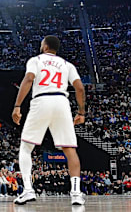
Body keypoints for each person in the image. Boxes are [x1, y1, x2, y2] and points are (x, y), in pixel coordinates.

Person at [12, 36, 87, 206]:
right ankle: (76, 193)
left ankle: (28, 190)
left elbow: (29, 79)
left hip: (41, 100)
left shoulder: (36, 60)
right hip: (62, 102)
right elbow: (80, 88)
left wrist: (17, 105)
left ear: (45, 46)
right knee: (70, 150)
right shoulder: (68, 65)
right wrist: (81, 112)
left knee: (26, 147)